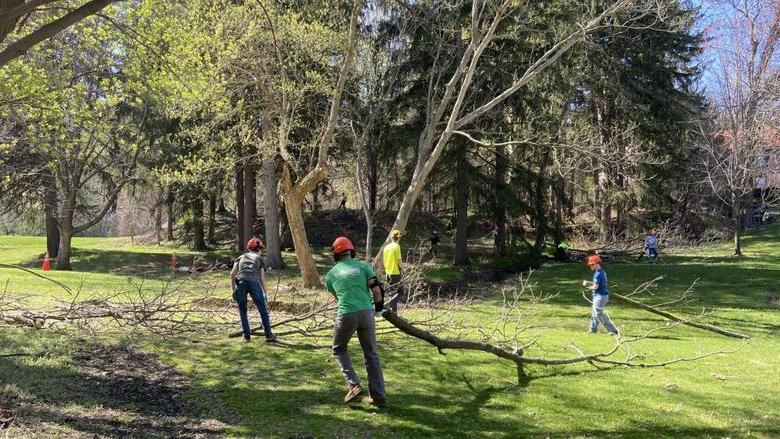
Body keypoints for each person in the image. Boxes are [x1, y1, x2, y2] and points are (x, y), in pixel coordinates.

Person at [326, 236, 387, 408]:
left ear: (336, 255)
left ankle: (353, 384)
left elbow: (337, 296)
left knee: (338, 349)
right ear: (351, 251)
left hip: (346, 314)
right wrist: (379, 310)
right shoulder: (364, 266)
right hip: (367, 313)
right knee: (371, 354)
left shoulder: (331, 274)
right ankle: (378, 397)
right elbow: (376, 291)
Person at [230, 237, 277, 343]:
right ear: (259, 249)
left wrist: (233, 290)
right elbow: (261, 278)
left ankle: (246, 336)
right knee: (262, 310)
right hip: (254, 284)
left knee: (242, 310)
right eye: (262, 250)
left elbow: (232, 274)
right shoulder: (259, 259)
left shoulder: (240, 257)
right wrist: (265, 291)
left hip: (241, 282)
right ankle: (269, 335)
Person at [582, 254, 619, 335]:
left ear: (596, 264)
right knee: (596, 313)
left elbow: (595, 287)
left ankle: (613, 330)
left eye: (592, 264)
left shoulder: (598, 274)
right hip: (601, 295)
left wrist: (587, 286)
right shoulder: (602, 272)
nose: (590, 266)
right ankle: (592, 330)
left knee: (598, 314)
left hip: (600, 296)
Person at [382, 229, 404, 310]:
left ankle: (392, 310)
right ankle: (391, 306)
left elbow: (384, 261)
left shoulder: (386, 247)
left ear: (391, 237)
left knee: (392, 292)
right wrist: (404, 268)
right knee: (400, 292)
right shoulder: (397, 246)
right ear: (399, 238)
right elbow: (399, 260)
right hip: (395, 273)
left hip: (388, 273)